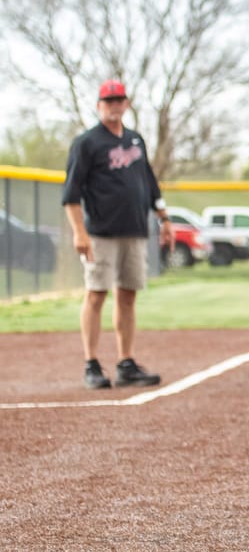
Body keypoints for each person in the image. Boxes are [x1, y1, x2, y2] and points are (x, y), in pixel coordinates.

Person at [63, 79, 172, 389]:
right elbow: (71, 194)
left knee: (128, 296)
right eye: (108, 99)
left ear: (126, 103)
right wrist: (79, 232)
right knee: (96, 293)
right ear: (99, 105)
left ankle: (126, 364)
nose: (114, 104)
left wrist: (164, 219)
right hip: (100, 233)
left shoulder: (136, 140)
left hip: (135, 231)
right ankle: (91, 364)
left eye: (119, 99)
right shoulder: (87, 143)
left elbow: (150, 185)